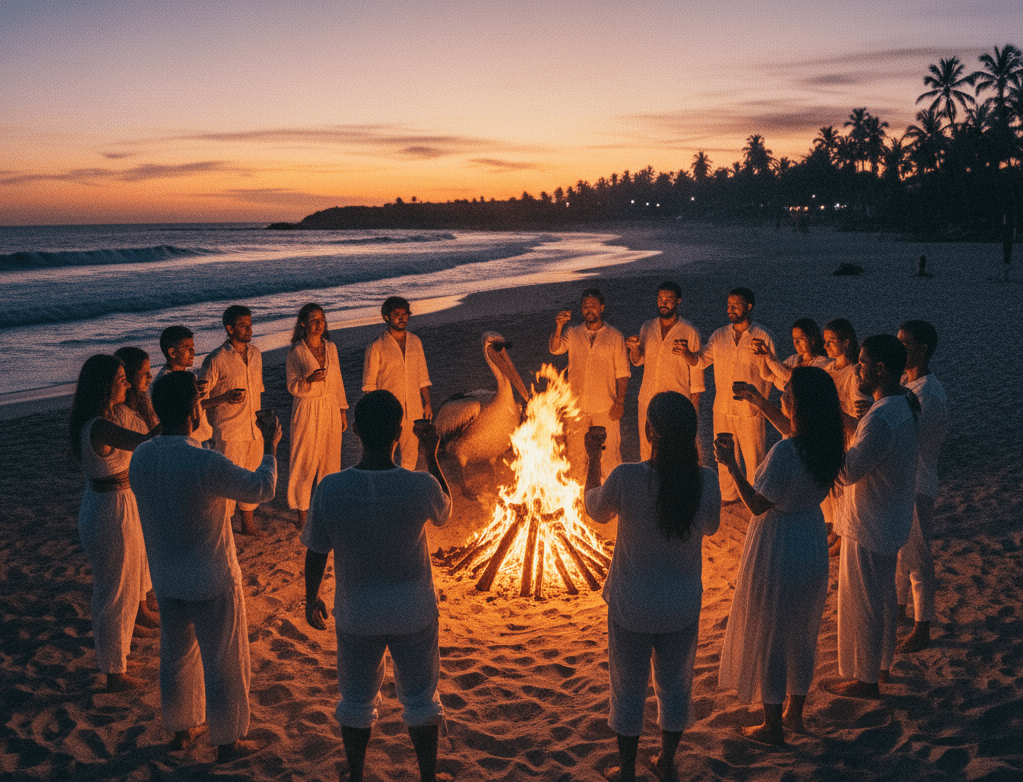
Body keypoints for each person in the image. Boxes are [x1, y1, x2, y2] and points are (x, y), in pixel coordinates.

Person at [129, 371, 280, 762]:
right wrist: (271, 447)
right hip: (211, 576)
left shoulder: (142, 456)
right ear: (194, 411)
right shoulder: (203, 461)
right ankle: (228, 741)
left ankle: (182, 730)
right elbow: (261, 488)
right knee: (224, 660)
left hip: (166, 576)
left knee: (176, 655)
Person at [302, 390, 451, 782]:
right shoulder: (419, 485)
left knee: (355, 700)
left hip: (357, 613)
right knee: (421, 700)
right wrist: (432, 455)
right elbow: (444, 511)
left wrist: (311, 596)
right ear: (399, 433)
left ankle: (356, 775)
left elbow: (316, 550)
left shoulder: (331, 487)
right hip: (413, 611)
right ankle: (427, 777)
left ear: (355, 430)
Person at [584, 392, 720, 782]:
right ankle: (665, 760)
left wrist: (592, 457)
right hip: (681, 606)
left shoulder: (627, 477)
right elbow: (711, 527)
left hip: (632, 606)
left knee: (627, 690)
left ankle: (628, 770)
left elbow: (594, 509)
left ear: (649, 432)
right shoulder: (706, 480)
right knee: (675, 688)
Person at [715, 367, 845, 744]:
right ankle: (794, 715)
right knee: (802, 632)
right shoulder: (829, 445)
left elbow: (758, 504)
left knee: (772, 634)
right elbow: (792, 433)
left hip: (780, 542)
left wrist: (732, 466)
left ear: (799, 403)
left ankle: (771, 726)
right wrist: (759, 402)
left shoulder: (785, 451)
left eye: (787, 391)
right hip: (811, 537)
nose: (782, 395)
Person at [826, 335, 918, 699]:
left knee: (864, 601)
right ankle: (880, 667)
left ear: (880, 369)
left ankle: (865, 681)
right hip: (889, 517)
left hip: (870, 522)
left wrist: (826, 441)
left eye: (862, 364)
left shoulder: (880, 418)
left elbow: (848, 471)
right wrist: (851, 423)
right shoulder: (903, 404)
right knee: (881, 597)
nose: (857, 370)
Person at [68, 354, 159, 692]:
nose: (127, 384)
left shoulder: (109, 416)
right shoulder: (99, 425)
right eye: (121, 379)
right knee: (114, 592)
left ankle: (118, 661)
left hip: (119, 503)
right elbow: (146, 442)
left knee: (128, 581)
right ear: (105, 385)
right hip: (108, 510)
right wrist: (175, 405)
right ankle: (113, 674)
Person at [678, 287, 776, 503]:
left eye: (735, 305)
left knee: (754, 458)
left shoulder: (763, 337)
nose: (730, 309)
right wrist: (686, 354)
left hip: (750, 409)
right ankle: (729, 495)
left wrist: (761, 404)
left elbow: (771, 374)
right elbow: (701, 361)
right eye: (728, 305)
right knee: (723, 454)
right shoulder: (719, 335)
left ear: (749, 306)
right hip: (722, 407)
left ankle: (756, 496)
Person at [895, 320, 948, 653]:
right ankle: (899, 609)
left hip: (917, 482)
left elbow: (908, 439)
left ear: (923, 349)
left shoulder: (927, 392)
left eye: (905, 344)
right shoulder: (907, 383)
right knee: (901, 552)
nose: (899, 350)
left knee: (917, 556)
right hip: (904, 481)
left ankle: (923, 625)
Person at [550, 288, 630, 481]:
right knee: (576, 456)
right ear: (581, 309)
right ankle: (579, 495)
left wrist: (620, 402)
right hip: (577, 408)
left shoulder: (615, 336)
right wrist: (559, 326)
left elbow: (623, 373)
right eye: (585, 306)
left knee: (609, 456)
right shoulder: (573, 333)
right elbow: (555, 349)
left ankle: (610, 493)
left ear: (602, 308)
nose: (589, 310)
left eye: (593, 306)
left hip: (606, 407)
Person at [198, 305, 265, 536]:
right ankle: (224, 531)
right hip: (229, 430)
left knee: (251, 477)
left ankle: (248, 525)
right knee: (227, 482)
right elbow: (200, 400)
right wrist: (224, 397)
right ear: (230, 328)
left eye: (250, 324)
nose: (249, 329)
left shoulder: (256, 354)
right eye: (243, 325)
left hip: (254, 428)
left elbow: (258, 391)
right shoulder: (216, 359)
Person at [286, 303, 349, 529]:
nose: (319, 324)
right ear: (303, 323)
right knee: (304, 459)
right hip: (307, 408)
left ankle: (327, 510)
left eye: (321, 319)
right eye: (313, 320)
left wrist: (342, 410)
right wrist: (308, 381)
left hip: (330, 406)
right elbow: (292, 386)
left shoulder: (331, 347)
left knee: (330, 460)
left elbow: (338, 380)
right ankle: (302, 514)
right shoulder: (296, 351)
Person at [626, 281, 704, 461]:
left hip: (676, 403)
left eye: (669, 299)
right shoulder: (647, 327)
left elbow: (697, 376)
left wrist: (693, 413)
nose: (664, 302)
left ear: (678, 301)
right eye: (660, 298)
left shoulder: (689, 331)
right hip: (647, 400)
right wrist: (634, 348)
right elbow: (638, 361)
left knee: (675, 451)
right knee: (647, 450)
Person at [362, 296, 433, 471]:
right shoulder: (376, 346)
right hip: (387, 410)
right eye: (396, 314)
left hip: (414, 408)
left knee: (411, 454)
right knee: (385, 453)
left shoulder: (415, 342)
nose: (402, 317)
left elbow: (422, 376)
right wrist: (375, 412)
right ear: (386, 317)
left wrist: (427, 403)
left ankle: (404, 484)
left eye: (405, 313)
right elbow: (369, 385)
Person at [821, 318, 872, 554]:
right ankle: (836, 530)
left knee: (845, 490)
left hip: (847, 435)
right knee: (833, 489)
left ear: (847, 342)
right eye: (825, 341)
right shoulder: (828, 369)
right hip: (830, 434)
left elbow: (858, 411)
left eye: (832, 341)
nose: (826, 345)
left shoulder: (854, 373)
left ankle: (843, 536)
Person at [156, 325, 238, 446]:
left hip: (201, 437)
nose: (193, 352)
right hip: (184, 441)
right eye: (187, 348)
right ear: (172, 353)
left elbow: (199, 406)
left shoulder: (190, 376)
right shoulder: (165, 382)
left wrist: (224, 397)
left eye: (193, 347)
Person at [754, 318, 831, 392]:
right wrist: (762, 354)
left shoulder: (823, 362)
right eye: (794, 338)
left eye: (800, 338)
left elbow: (791, 377)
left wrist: (769, 355)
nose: (796, 343)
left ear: (812, 339)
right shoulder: (794, 359)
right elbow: (768, 375)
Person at [113, 346, 160, 431]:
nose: (150, 376)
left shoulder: (144, 401)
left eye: (149, 371)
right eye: (144, 372)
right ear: (130, 375)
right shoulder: (119, 414)